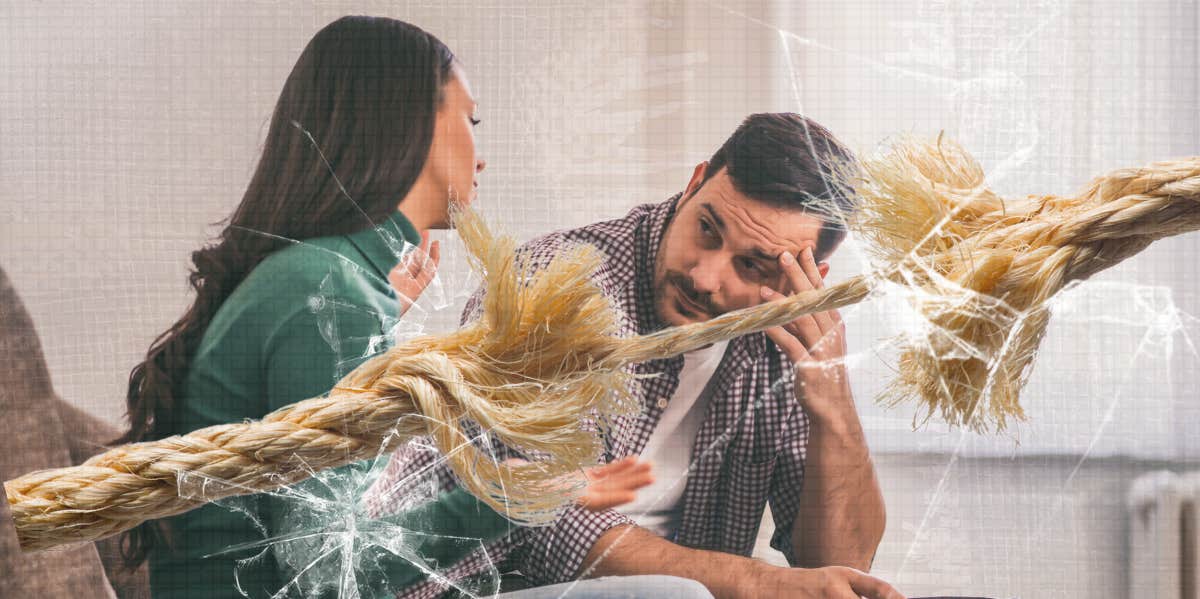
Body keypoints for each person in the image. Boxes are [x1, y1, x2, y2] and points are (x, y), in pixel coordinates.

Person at [116, 16, 674, 599]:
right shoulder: (329, 291)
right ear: (412, 125)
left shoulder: (320, 280)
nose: (482, 157)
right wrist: (500, 497)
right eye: (471, 120)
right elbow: (326, 569)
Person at [376, 113, 905, 599]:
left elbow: (841, 566)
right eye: (706, 229)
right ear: (694, 182)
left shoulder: (785, 339)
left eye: (754, 266)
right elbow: (544, 524)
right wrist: (755, 583)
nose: (704, 276)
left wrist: (832, 401)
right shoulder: (552, 282)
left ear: (806, 282)